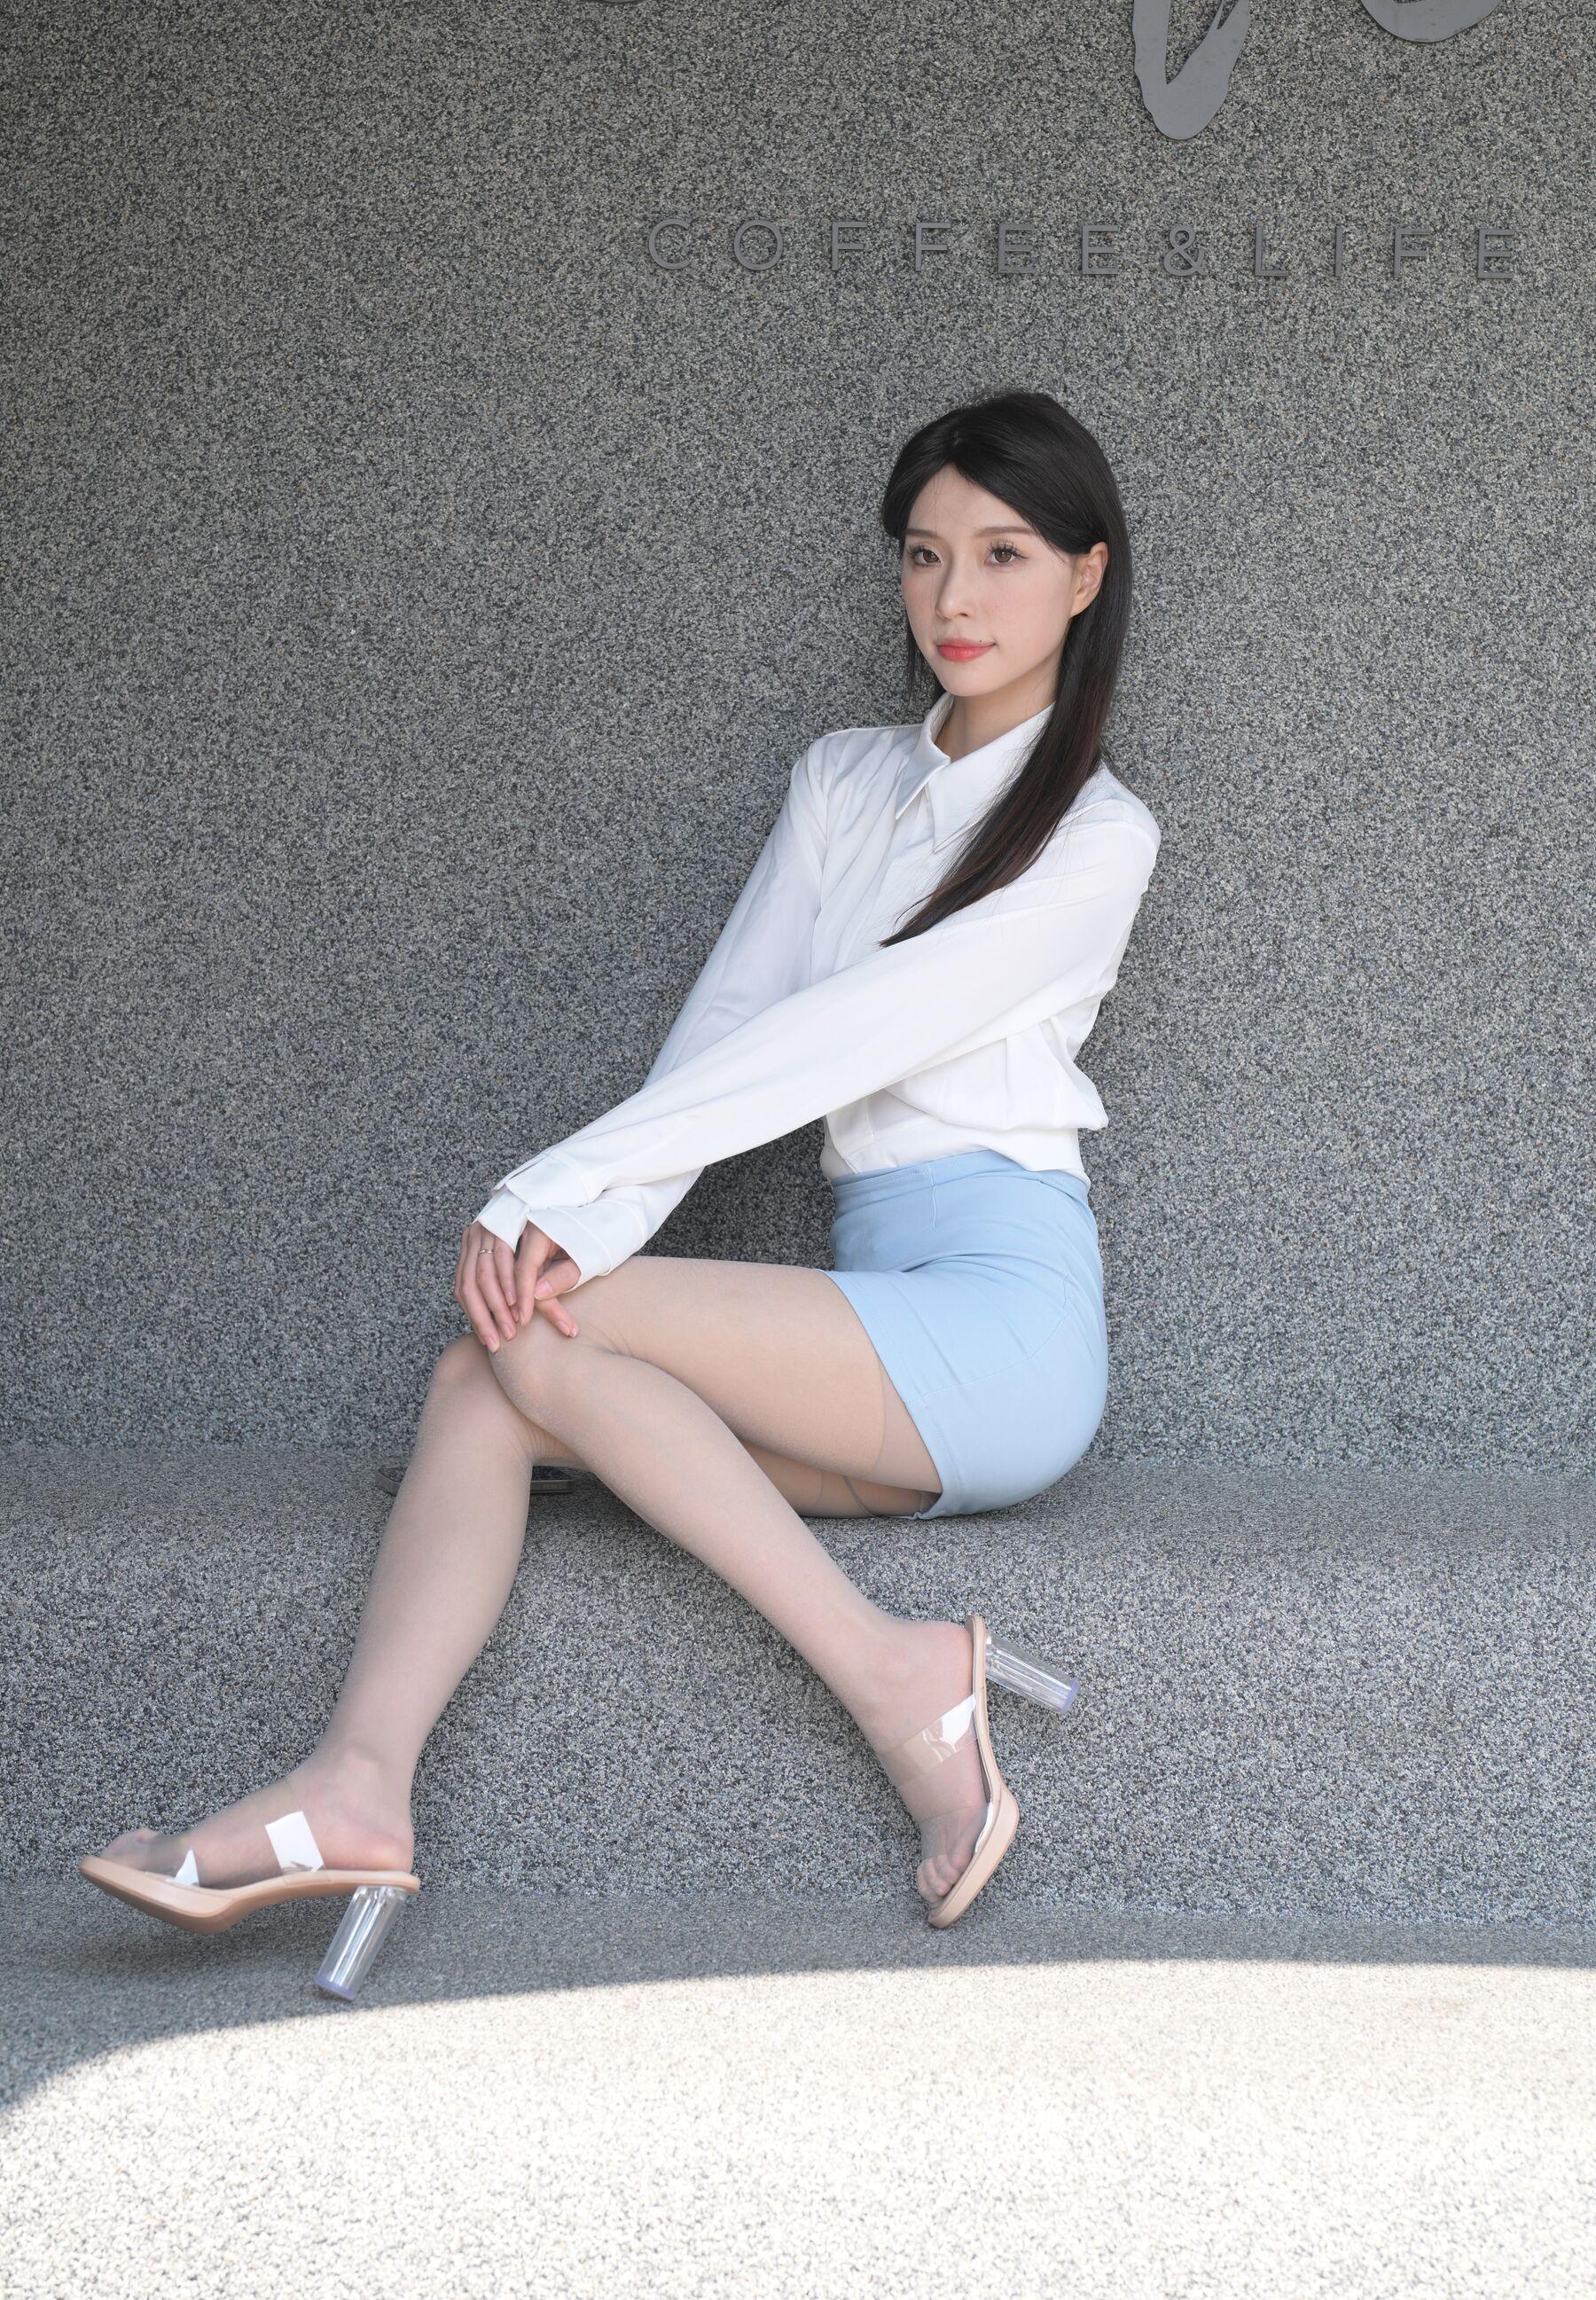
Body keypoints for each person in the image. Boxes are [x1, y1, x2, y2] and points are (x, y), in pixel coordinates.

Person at [80, 388, 1162, 1975]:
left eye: (1003, 555)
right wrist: (582, 1213)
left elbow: (847, 1033)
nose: (954, 597)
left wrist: (556, 1192)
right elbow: (728, 1033)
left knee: (528, 1326)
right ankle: (356, 1786)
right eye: (924, 555)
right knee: (488, 1372)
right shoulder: (844, 779)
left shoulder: (1100, 834)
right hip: (877, 1318)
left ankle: (892, 1674)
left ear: (1085, 573)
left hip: (1005, 1323)